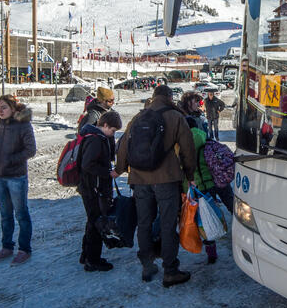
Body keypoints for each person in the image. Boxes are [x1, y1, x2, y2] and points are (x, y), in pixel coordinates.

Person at [115, 84, 197, 287]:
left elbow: (124, 145)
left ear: (153, 97)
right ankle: (170, 271)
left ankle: (147, 265)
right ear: (169, 97)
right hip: (167, 178)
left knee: (143, 223)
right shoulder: (176, 117)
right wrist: (189, 173)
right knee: (168, 224)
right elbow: (188, 148)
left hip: (139, 180)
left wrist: (120, 168)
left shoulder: (139, 117)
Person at [0, 95, 37, 265]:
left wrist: (11, 159)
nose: (0, 111)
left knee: (21, 214)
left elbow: (31, 150)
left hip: (16, 177)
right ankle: (7, 246)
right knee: (5, 214)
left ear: (13, 108)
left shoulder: (23, 125)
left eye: (4, 107)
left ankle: (24, 249)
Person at [76, 109, 122, 272]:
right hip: (92, 188)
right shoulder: (95, 140)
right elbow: (88, 165)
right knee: (96, 223)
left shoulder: (95, 136)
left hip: (90, 187)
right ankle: (93, 260)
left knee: (92, 221)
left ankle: (86, 255)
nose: (113, 134)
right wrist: (107, 173)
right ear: (105, 124)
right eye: (113, 130)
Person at [186, 116, 232, 264]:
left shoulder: (183, 142)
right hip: (218, 179)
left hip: (200, 186)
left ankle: (211, 252)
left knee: (205, 219)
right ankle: (244, 235)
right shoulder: (203, 136)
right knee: (232, 206)